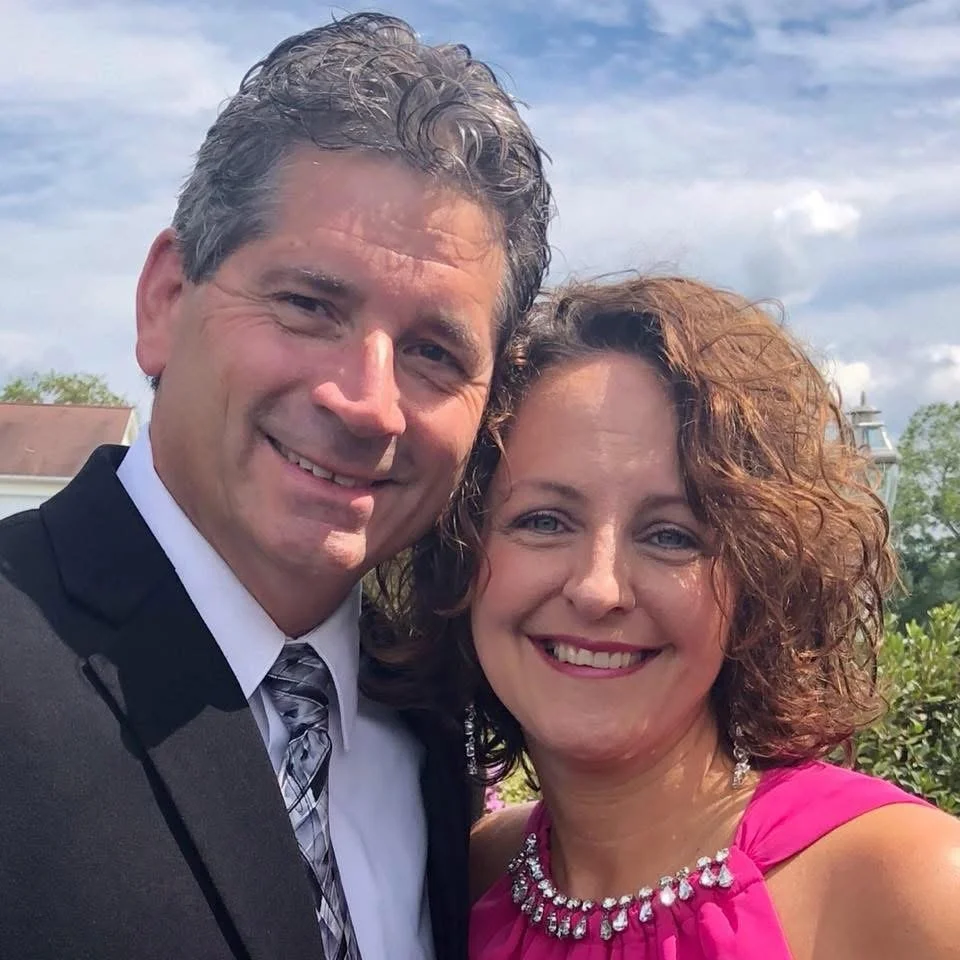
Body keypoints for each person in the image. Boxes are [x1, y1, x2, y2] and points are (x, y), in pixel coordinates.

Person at [0, 13, 551, 960]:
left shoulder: (431, 715)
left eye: (433, 351)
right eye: (307, 305)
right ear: (166, 301)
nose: (367, 403)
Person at [389, 275, 960, 959]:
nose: (598, 588)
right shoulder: (468, 876)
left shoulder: (904, 886)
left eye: (670, 535)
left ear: (755, 581)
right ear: (462, 552)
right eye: (544, 521)